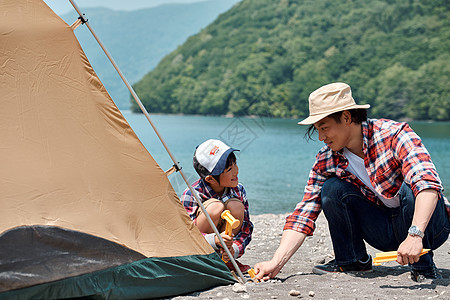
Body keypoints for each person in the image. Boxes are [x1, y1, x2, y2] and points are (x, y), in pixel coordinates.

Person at [254, 82, 449, 282]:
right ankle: (352, 261)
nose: (321, 137)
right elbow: (304, 213)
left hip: (430, 227)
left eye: (324, 128)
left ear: (346, 117)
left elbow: (428, 184)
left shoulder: (394, 135)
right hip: (385, 231)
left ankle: (423, 267)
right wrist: (276, 262)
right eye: (316, 130)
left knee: (411, 186)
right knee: (332, 189)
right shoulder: (327, 159)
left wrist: (415, 235)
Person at [181, 139, 253, 272]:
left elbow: (246, 228)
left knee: (235, 206)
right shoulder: (191, 194)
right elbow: (184, 235)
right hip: (199, 249)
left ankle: (225, 260)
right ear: (210, 179)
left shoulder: (239, 190)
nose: (236, 171)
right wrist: (214, 240)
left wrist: (234, 249)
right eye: (229, 169)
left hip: (227, 249)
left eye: (235, 164)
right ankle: (206, 259)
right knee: (215, 207)